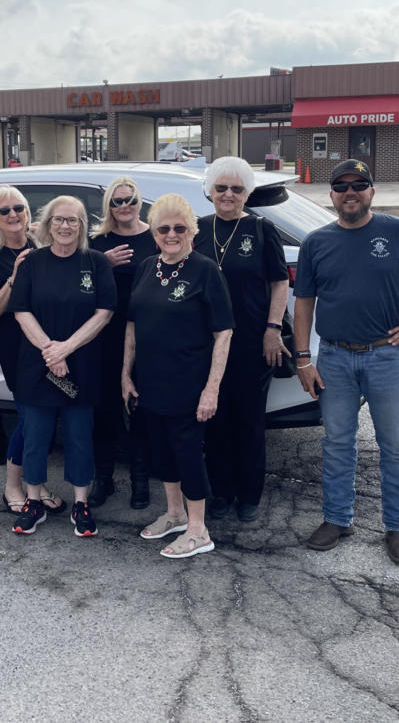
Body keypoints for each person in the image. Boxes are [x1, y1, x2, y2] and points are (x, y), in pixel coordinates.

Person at [293, 159, 399, 565]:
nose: (350, 193)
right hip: (334, 358)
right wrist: (303, 359)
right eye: (341, 186)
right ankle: (337, 519)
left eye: (358, 185)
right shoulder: (316, 243)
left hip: (386, 356)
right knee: (337, 442)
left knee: (395, 445)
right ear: (331, 195)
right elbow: (304, 303)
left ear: (371, 192)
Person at [123, 193, 233, 559]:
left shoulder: (205, 270)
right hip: (150, 380)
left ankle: (199, 530)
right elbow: (132, 325)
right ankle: (174, 514)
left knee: (187, 453)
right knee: (161, 450)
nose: (171, 235)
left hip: (189, 381)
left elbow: (223, 333)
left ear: (192, 232)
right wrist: (125, 374)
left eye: (179, 228)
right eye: (164, 229)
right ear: (154, 233)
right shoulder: (147, 266)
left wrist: (211, 389)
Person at [7, 196, 115, 538]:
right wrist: (51, 352)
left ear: (82, 226)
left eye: (73, 220)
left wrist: (66, 348)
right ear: (47, 223)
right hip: (37, 366)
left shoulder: (96, 262)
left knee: (80, 436)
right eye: (59, 219)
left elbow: (104, 313)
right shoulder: (32, 262)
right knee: (35, 436)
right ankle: (33, 501)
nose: (66, 226)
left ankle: (81, 504)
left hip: (81, 364)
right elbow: (21, 311)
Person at [194, 156, 290, 523]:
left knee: (249, 421)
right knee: (215, 421)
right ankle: (221, 492)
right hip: (207, 343)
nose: (228, 194)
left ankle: (250, 494)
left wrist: (272, 329)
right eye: (221, 188)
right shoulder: (198, 229)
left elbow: (279, 283)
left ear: (247, 193)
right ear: (210, 191)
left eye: (236, 189)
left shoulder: (262, 230)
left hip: (252, 341)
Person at [0, 186, 65, 516]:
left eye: (19, 208)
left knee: (48, 415)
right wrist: (13, 278)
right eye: (5, 210)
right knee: (30, 418)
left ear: (28, 214)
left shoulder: (44, 248)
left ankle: (35, 482)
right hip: (17, 348)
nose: (13, 215)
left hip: (50, 344)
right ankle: (14, 485)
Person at [87, 176, 158, 510]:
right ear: (109, 206)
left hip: (147, 333)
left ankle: (140, 478)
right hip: (105, 334)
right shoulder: (97, 241)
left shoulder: (156, 236)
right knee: (105, 409)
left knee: (141, 407)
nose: (125, 206)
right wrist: (103, 263)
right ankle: (103, 477)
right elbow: (80, 286)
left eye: (130, 199)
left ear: (139, 201)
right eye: (117, 201)